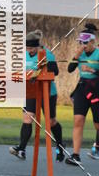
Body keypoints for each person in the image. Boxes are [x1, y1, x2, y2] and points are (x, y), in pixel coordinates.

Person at [9, 30, 63, 161]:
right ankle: (21, 149)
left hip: (47, 92)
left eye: (31, 48)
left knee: (50, 122)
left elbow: (55, 71)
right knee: (28, 118)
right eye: (27, 48)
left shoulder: (46, 54)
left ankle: (60, 146)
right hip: (31, 92)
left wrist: (40, 70)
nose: (29, 51)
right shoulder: (24, 55)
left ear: (37, 46)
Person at [65, 23, 99, 166]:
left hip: (96, 89)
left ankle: (96, 147)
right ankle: (76, 155)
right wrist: (76, 56)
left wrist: (92, 71)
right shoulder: (80, 53)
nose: (83, 45)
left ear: (92, 42)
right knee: (78, 120)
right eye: (80, 42)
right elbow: (70, 69)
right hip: (82, 88)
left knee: (98, 124)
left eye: (85, 43)